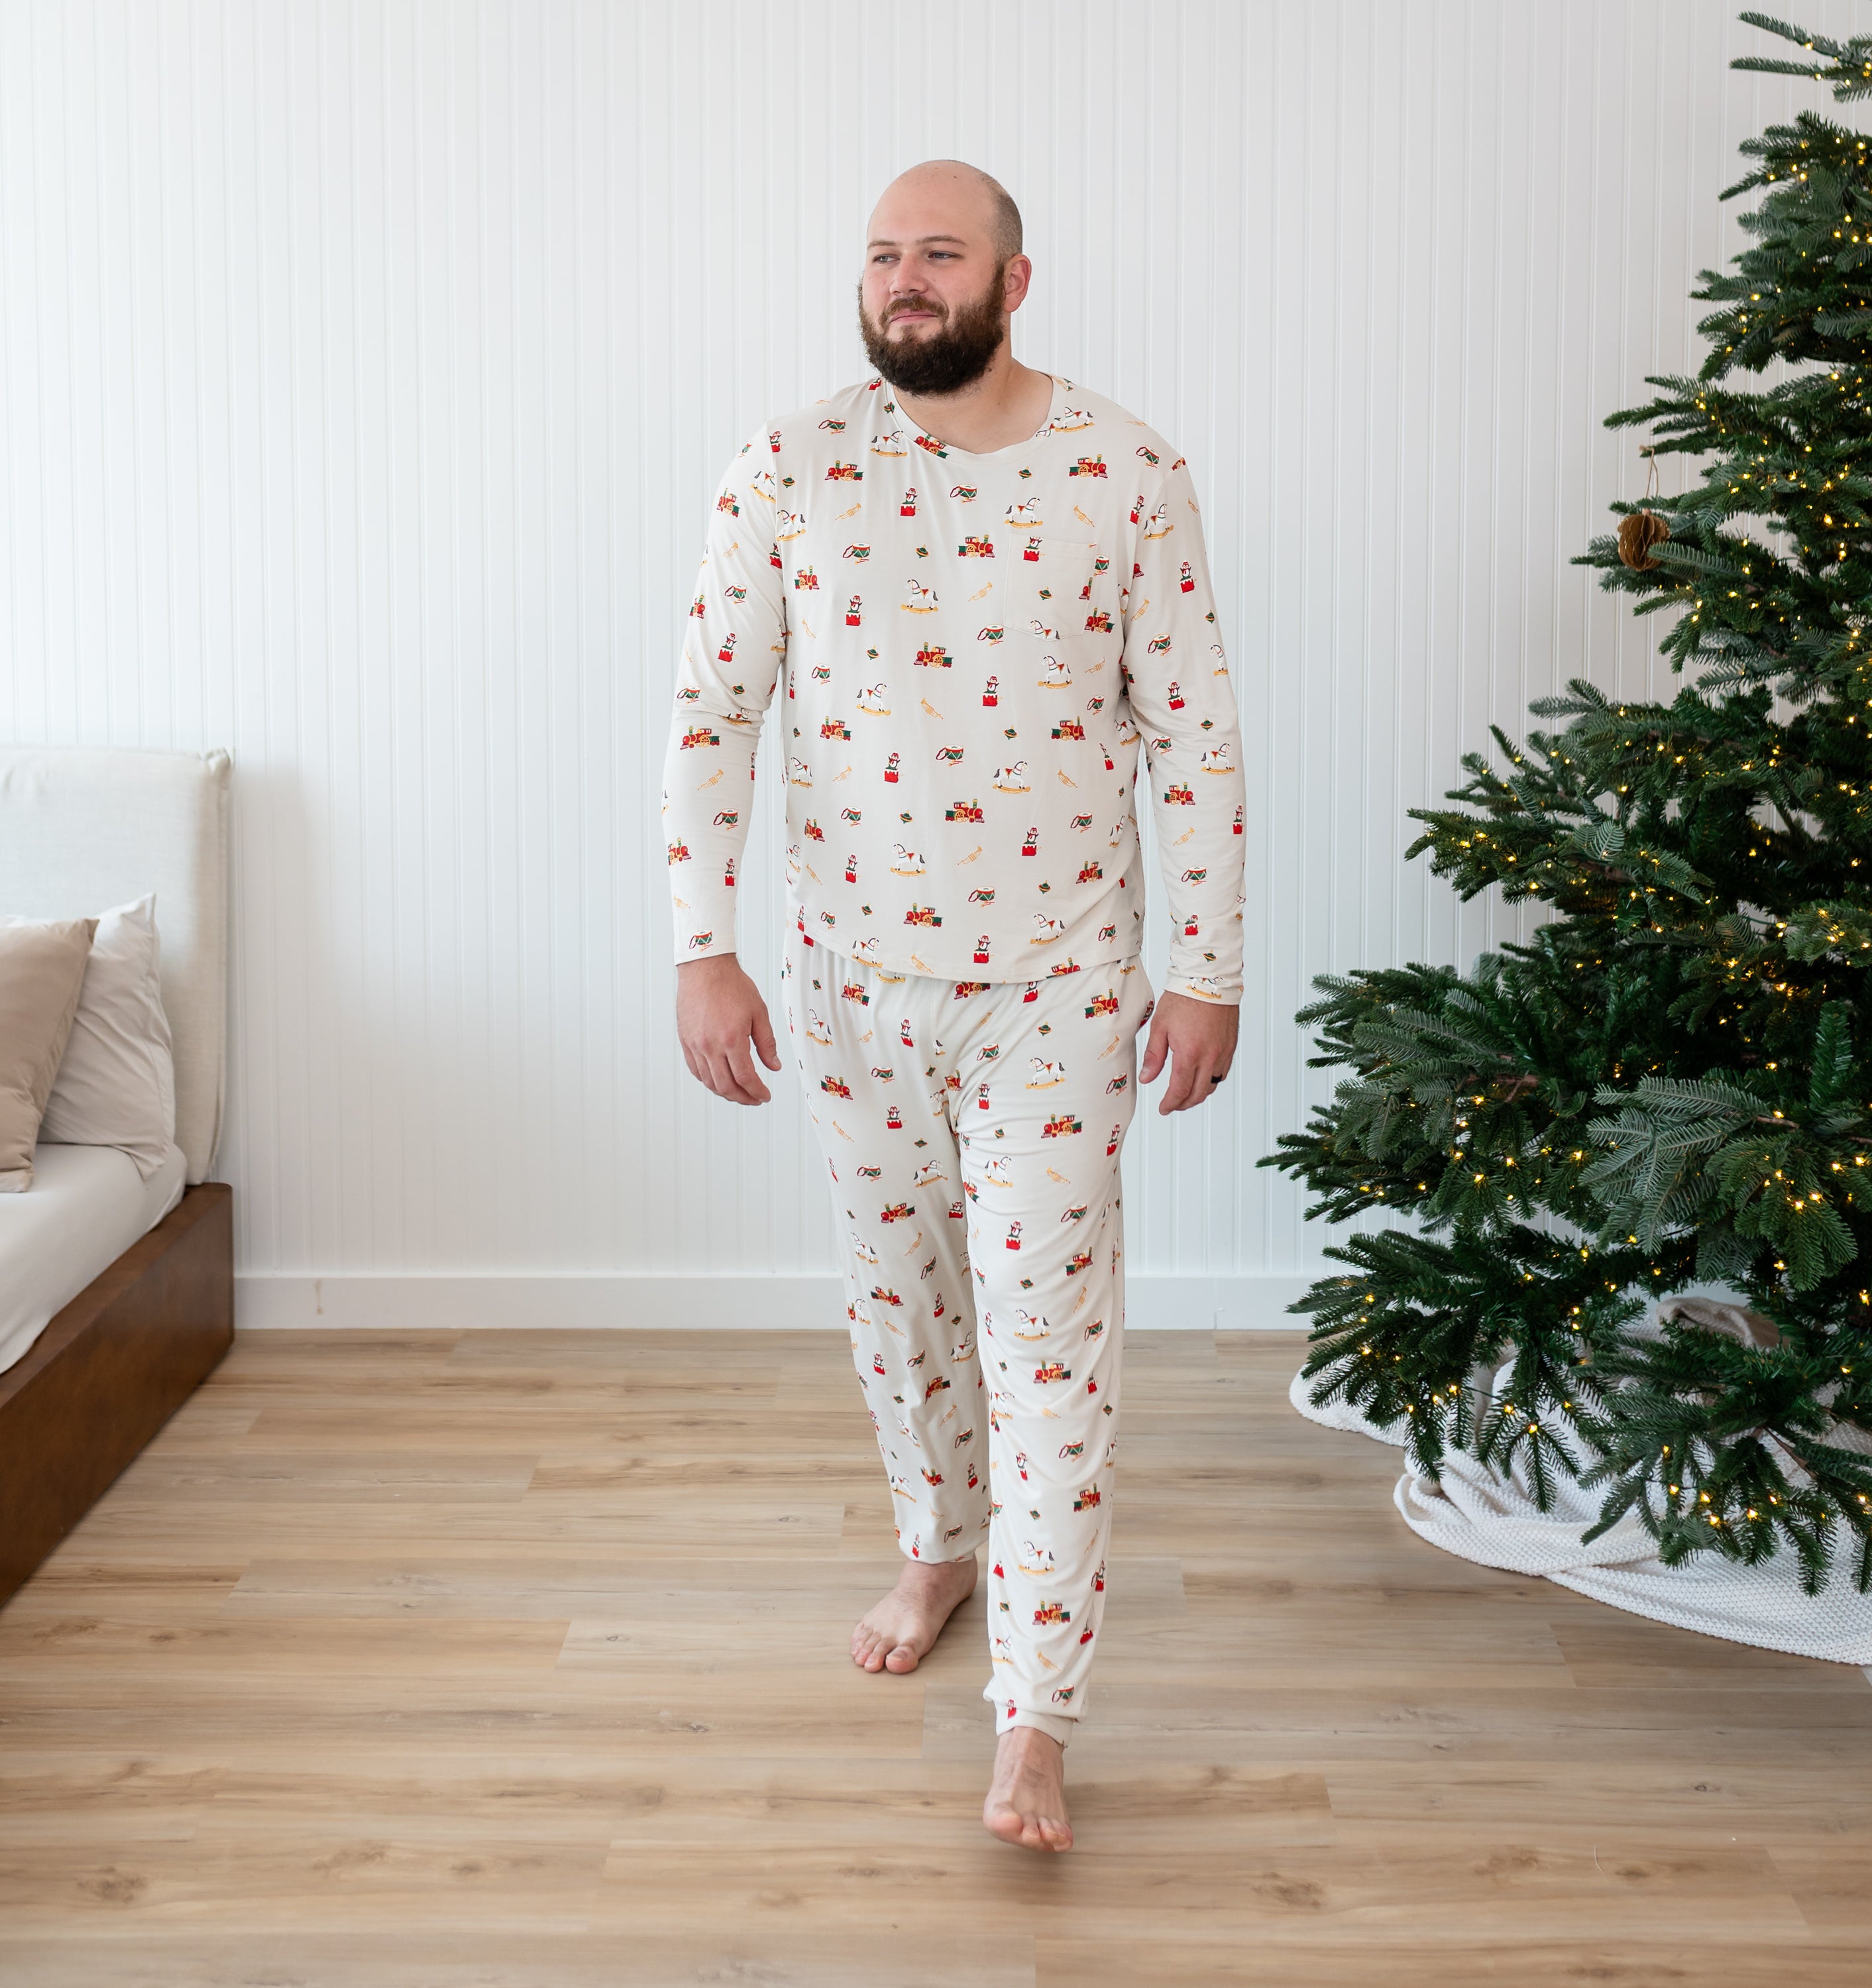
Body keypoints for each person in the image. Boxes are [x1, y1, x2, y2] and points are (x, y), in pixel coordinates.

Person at [663, 158, 1246, 1853]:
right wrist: (704, 942)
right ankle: (938, 1545)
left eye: (940, 253)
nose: (905, 280)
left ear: (1014, 278)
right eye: (881, 256)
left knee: (1047, 1346)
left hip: (1062, 990)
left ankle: (1038, 1717)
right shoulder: (789, 468)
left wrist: (1203, 968)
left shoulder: (1128, 472)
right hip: (848, 987)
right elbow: (715, 710)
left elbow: (1196, 737)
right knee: (898, 1302)